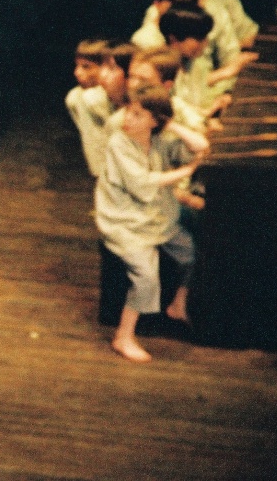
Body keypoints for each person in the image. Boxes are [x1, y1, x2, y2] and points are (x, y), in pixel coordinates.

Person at [95, 85, 209, 362]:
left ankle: (178, 304)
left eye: (137, 114)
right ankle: (123, 336)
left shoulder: (159, 141)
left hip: (157, 219)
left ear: (154, 121)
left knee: (192, 254)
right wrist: (184, 172)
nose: (127, 118)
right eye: (128, 111)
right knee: (146, 277)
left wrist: (171, 125)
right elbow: (141, 183)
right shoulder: (119, 143)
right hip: (125, 224)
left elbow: (201, 146)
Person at [64, 38, 108, 175]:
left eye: (86, 66)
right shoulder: (76, 97)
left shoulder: (95, 98)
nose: (77, 72)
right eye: (77, 66)